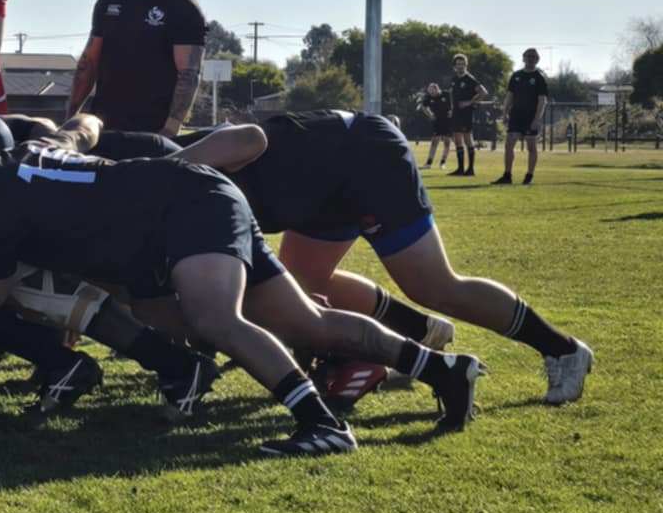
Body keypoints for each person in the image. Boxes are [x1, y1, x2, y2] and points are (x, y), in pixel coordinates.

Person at [0, 134, 480, 457]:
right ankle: (443, 370)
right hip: (195, 196)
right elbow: (77, 133)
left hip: (182, 211)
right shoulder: (25, 154)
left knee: (215, 319)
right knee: (306, 322)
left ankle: (323, 425)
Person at [92, 110, 594, 405]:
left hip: (358, 159)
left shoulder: (146, 170)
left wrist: (160, 177)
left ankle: (562, 349)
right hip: (313, 193)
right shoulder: (122, 201)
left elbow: (250, 137)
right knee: (298, 295)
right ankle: (417, 336)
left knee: (434, 284)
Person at [68, 0, 206, 136]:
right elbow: (89, 63)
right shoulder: (109, 1)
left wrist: (170, 129)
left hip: (153, 133)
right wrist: (70, 117)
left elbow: (188, 75)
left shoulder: (183, 7)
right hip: (104, 130)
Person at [494, 48, 549, 185]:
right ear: (523, 58)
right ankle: (507, 176)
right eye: (528, 56)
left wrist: (537, 119)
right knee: (509, 145)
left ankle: (529, 176)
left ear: (537, 60)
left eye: (533, 57)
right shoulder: (516, 76)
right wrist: (505, 113)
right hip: (516, 116)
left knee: (531, 147)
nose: (530, 59)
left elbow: (542, 100)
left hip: (531, 117)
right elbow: (509, 96)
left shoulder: (539, 78)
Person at [448, 54, 488, 176]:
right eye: (458, 64)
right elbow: (452, 94)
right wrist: (451, 108)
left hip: (466, 113)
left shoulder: (470, 79)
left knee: (467, 139)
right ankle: (460, 169)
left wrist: (469, 102)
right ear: (455, 66)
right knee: (457, 140)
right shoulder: (454, 79)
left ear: (466, 65)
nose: (460, 66)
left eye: (462, 64)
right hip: (456, 113)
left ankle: (470, 169)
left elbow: (484, 92)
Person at [419, 83, 454, 169]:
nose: (431, 93)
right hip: (437, 121)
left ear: (437, 89)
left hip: (448, 121)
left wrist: (452, 112)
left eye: (432, 91)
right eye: (429, 91)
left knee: (447, 142)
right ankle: (428, 163)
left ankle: (443, 163)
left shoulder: (446, 94)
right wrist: (430, 115)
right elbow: (423, 106)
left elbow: (454, 103)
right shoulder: (429, 97)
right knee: (434, 142)